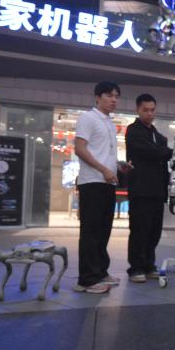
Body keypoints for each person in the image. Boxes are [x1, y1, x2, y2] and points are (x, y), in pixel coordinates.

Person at [73, 81, 125, 294]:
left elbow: (102, 152)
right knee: (91, 232)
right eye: (109, 95)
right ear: (97, 97)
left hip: (107, 183)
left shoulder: (109, 123)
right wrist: (103, 169)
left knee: (103, 232)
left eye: (116, 96)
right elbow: (79, 149)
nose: (114, 100)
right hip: (92, 182)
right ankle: (86, 280)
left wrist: (118, 166)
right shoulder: (88, 118)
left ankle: (100, 272)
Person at [125, 93, 171, 283]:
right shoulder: (133, 131)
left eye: (152, 110)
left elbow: (163, 155)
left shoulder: (158, 136)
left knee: (154, 231)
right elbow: (152, 152)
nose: (150, 113)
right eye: (146, 110)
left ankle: (149, 265)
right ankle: (136, 268)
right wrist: (171, 152)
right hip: (140, 190)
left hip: (157, 191)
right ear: (138, 109)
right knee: (139, 230)